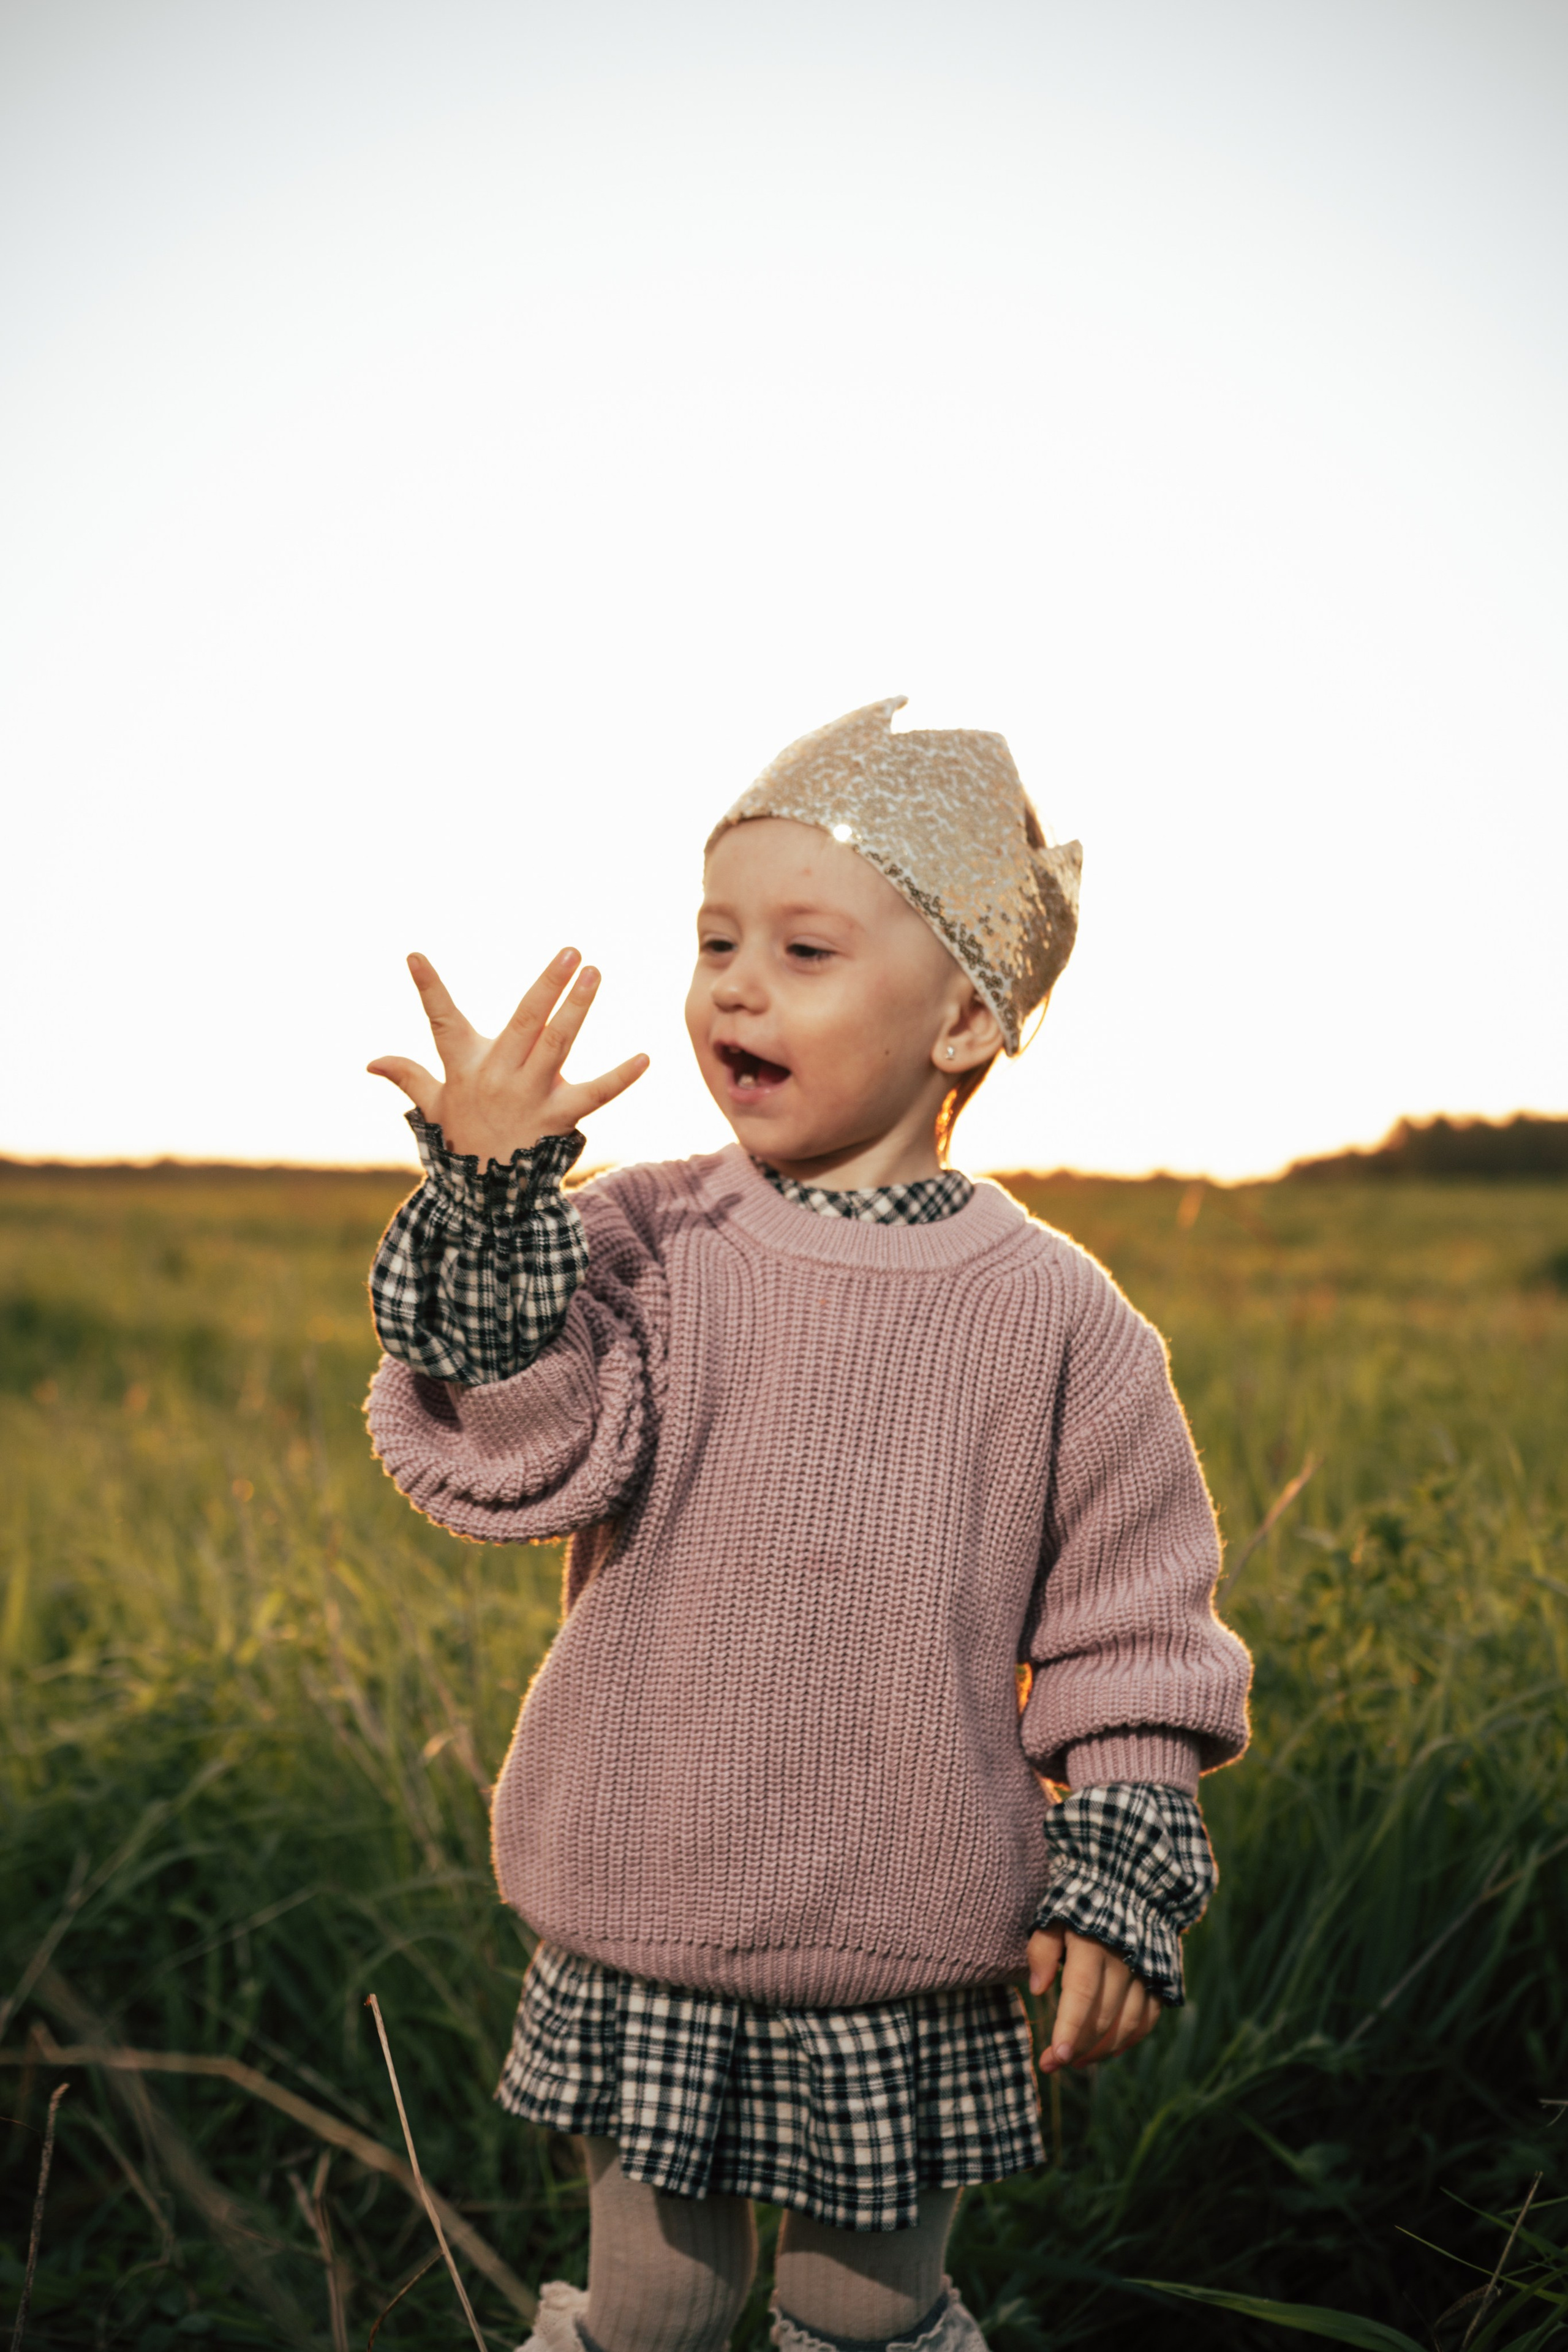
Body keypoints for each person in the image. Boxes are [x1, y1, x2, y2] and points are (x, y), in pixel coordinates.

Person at [363, 697, 1251, 2352]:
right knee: (657, 2306)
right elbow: (526, 1448)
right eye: (714, 942)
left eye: (803, 949)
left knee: (867, 2315)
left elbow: (1133, 1632)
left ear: (966, 1017)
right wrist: (490, 1201)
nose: (734, 986)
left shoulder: (1061, 1321)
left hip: (907, 1935)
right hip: (651, 1901)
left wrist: (1120, 1872)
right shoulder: (645, 1237)